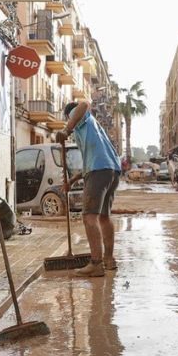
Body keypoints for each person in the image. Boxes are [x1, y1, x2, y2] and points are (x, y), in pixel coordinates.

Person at [58, 100, 121, 277]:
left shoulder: (82, 119)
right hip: (111, 170)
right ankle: (109, 260)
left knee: (89, 217)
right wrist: (72, 180)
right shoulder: (90, 130)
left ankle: (96, 264)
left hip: (99, 170)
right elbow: (89, 161)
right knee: (103, 217)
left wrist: (66, 129)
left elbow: (84, 104)